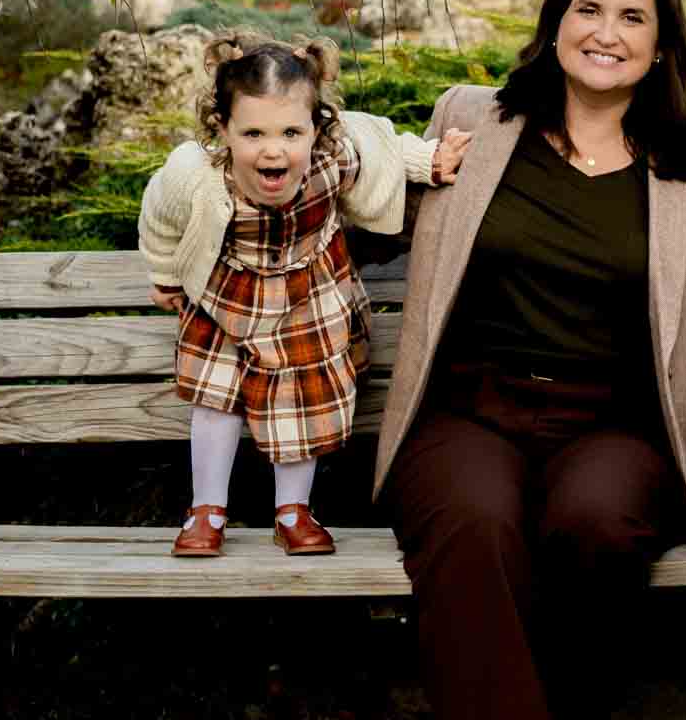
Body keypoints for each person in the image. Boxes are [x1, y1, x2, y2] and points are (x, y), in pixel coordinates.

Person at [370, 0, 686, 720]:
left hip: (613, 423)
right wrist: (197, 207)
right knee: (475, 532)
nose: (606, 33)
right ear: (555, 21)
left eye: (632, 19)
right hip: (468, 412)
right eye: (588, 9)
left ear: (662, 49)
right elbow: (342, 187)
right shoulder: (470, 123)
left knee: (596, 520)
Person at [140, 33, 469, 559]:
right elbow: (159, 218)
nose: (274, 149)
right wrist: (165, 275)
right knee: (215, 400)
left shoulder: (333, 159)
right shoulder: (196, 175)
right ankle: (207, 509)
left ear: (317, 129)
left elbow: (384, 150)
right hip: (228, 304)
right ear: (222, 131)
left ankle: (292, 511)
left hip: (307, 304)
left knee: (304, 401)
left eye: (292, 131)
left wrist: (429, 162)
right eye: (253, 133)